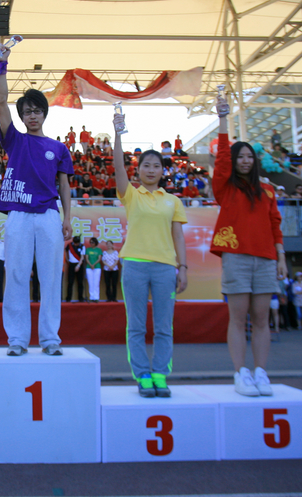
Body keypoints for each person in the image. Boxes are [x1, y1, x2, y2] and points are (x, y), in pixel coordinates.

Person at [0, 45, 74, 357]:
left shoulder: (59, 148)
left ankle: (50, 338)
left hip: (49, 214)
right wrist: (2, 66)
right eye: (27, 112)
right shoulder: (15, 139)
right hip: (19, 214)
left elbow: (64, 185)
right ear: (22, 116)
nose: (32, 116)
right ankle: (17, 339)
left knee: (50, 277)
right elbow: (1, 101)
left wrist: (67, 218)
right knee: (16, 274)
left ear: (44, 113)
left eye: (37, 111)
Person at [210, 91, 286, 397]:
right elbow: (222, 158)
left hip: (266, 258)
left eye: (249, 157)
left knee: (262, 318)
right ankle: (241, 372)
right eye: (240, 156)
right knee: (238, 318)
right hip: (236, 257)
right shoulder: (225, 188)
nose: (244, 161)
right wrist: (223, 118)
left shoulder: (267, 191)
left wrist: (281, 257)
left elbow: (275, 225)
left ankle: (261, 372)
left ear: (255, 161)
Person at [113, 111, 188, 398]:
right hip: (134, 265)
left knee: (163, 327)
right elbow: (118, 167)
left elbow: (178, 236)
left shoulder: (173, 201)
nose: (151, 170)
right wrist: (118, 134)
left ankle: (160, 374)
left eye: (156, 166)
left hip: (165, 268)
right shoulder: (131, 195)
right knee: (136, 326)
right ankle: (142, 375)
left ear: (162, 171)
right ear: (139, 170)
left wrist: (183, 267)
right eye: (146, 165)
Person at [65, 235, 85, 302]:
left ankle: (80, 298)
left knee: (80, 282)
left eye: (77, 243)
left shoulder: (82, 246)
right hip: (71, 264)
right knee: (70, 282)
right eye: (75, 243)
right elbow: (66, 252)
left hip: (79, 264)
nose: (76, 244)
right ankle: (68, 298)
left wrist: (78, 266)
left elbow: (82, 257)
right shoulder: (69, 245)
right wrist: (67, 260)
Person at [84, 237, 103, 302]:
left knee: (96, 282)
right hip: (89, 267)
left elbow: (99, 258)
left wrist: (94, 264)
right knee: (90, 282)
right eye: (91, 242)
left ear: (96, 243)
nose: (92, 243)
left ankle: (96, 297)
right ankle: (91, 297)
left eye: (93, 242)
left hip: (97, 267)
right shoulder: (88, 249)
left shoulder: (99, 250)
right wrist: (90, 264)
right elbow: (87, 258)